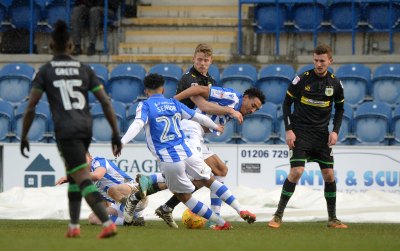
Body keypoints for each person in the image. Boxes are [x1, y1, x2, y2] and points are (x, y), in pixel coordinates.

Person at [20, 20, 122, 239]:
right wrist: (115, 133)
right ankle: (74, 226)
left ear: (51, 47)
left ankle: (107, 223)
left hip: (66, 130)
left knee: (82, 178)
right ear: (71, 47)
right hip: (85, 128)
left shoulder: (46, 71)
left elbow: (31, 106)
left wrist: (24, 136)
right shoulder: (84, 69)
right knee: (75, 175)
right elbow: (105, 102)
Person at [117, 73, 256, 230]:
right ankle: (233, 212)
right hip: (187, 145)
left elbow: (137, 124)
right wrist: (215, 126)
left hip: (171, 157)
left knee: (202, 182)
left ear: (145, 91)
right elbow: (198, 116)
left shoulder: (145, 106)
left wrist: (122, 142)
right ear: (163, 89)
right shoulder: (173, 103)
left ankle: (220, 222)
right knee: (207, 179)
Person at [153, 84, 265, 228]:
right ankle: (149, 182)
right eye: (253, 105)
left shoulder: (235, 107)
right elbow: (197, 89)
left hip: (197, 134)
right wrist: (173, 101)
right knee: (199, 176)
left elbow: (198, 99)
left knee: (220, 170)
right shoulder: (232, 98)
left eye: (256, 109)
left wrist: (216, 124)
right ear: (245, 98)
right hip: (190, 129)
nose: (252, 110)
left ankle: (214, 218)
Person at [268, 44, 348, 229]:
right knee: (296, 172)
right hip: (300, 133)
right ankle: (278, 215)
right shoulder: (301, 79)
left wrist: (335, 130)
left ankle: (333, 219)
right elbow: (287, 104)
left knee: (329, 175)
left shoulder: (335, 83)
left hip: (322, 136)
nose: (318, 64)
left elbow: (341, 108)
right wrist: (289, 129)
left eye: (322, 61)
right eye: (316, 60)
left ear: (330, 61)